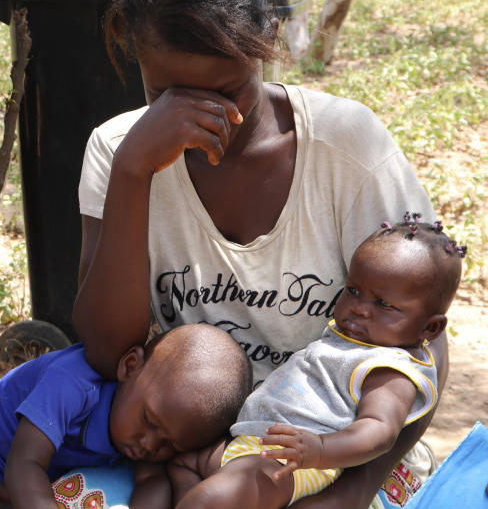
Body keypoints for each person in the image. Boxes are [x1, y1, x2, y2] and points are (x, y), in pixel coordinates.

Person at [72, 0, 439, 508]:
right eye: (165, 94)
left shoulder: (347, 148)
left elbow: (422, 344)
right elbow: (103, 348)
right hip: (181, 454)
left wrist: (353, 489)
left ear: (265, 42)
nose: (199, 119)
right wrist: (133, 173)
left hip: (339, 450)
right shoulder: (118, 152)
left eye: (226, 91)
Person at [172, 216, 465, 508]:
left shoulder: (389, 368)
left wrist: (320, 449)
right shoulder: (349, 339)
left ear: (430, 329)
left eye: (384, 304)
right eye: (353, 290)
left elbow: (379, 431)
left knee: (216, 497)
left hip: (296, 463)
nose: (359, 309)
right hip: (250, 444)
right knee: (179, 464)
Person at [0, 324, 253, 509]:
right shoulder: (73, 383)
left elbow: (153, 482)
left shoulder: (146, 429)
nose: (149, 444)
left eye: (169, 444)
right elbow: (24, 464)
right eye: (148, 421)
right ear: (130, 366)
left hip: (21, 489)